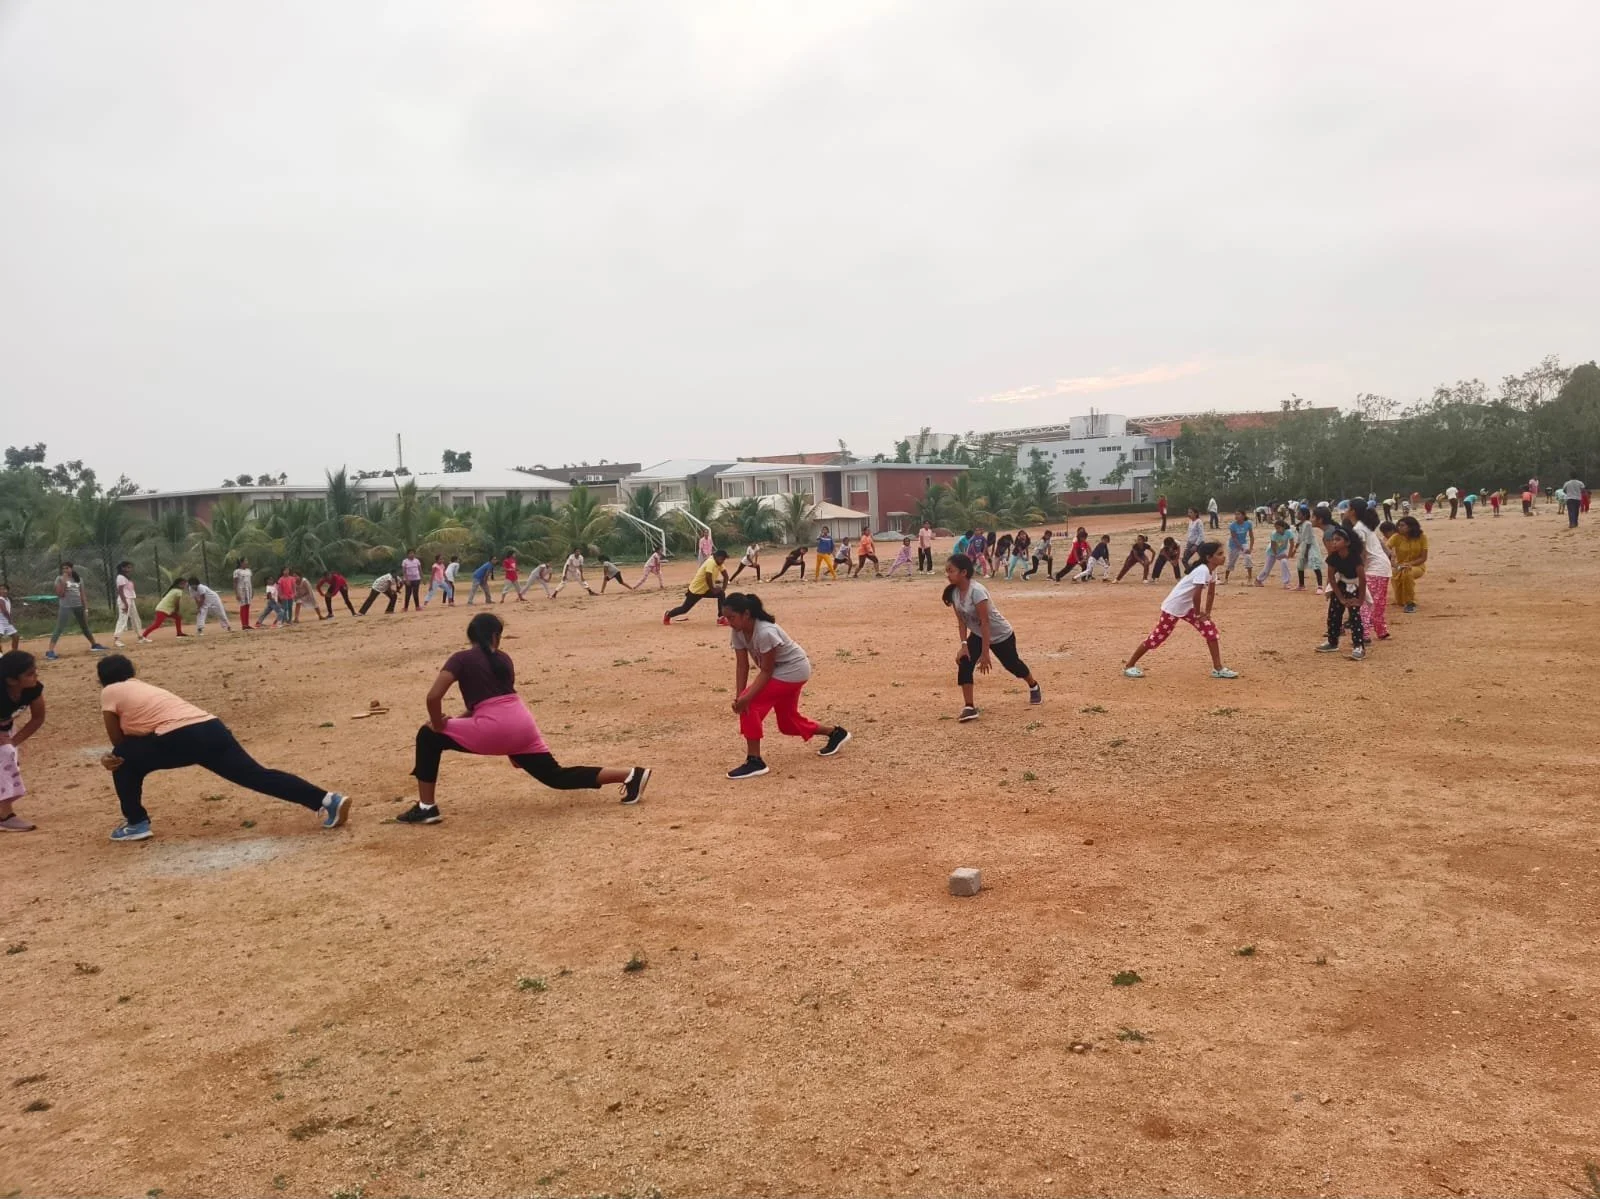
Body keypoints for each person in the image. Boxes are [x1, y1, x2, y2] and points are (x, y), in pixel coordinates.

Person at [396, 613, 650, 823]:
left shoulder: (461, 659)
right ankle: (630, 774)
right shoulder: (504, 659)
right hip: (522, 723)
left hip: (494, 728)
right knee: (556, 776)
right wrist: (465, 724)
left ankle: (427, 807)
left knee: (428, 736)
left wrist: (438, 724)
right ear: (495, 636)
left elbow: (433, 697)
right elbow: (491, 704)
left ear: (471, 636)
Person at [96, 654, 350, 841]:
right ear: (132, 671)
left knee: (121, 758)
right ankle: (328, 800)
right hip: (211, 728)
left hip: (181, 737)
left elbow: (118, 740)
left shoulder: (110, 690)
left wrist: (113, 756)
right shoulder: (144, 687)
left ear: (102, 679)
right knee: (257, 775)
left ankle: (136, 822)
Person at [722, 592, 850, 779]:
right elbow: (742, 665)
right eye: (726, 617)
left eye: (731, 617)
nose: (729, 622)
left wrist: (746, 699)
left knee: (751, 705)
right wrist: (739, 695)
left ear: (746, 614)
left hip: (794, 670)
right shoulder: (738, 631)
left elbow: (766, 671)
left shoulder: (765, 632)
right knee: (787, 723)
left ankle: (754, 761)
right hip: (779, 672)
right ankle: (835, 733)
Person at [944, 552, 1041, 722]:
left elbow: (985, 622)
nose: (948, 574)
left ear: (963, 573)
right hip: (979, 634)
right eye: (947, 571)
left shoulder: (977, 592)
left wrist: (985, 653)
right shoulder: (954, 594)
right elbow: (961, 622)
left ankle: (1033, 684)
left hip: (1001, 634)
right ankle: (969, 706)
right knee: (965, 661)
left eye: (951, 571)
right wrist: (964, 645)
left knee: (1012, 665)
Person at [1122, 542, 1237, 680]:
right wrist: (1198, 614)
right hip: (1174, 607)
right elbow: (1197, 594)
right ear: (1209, 557)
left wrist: (1207, 613)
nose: (1223, 557)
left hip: (1188, 606)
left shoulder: (1212, 570)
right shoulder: (1202, 570)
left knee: (1210, 630)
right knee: (1157, 638)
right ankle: (1129, 665)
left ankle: (1218, 668)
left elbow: (1211, 593)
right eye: (1219, 554)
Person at [0, 650, 45, 831]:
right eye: (29, 674)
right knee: (5, 763)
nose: (35, 676)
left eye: (35, 671)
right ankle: (5, 815)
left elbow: (37, 718)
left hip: (5, 729)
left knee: (8, 759)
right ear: (11, 680)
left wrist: (13, 740)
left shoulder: (33, 689)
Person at [1316, 526, 1367, 660]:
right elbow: (1332, 579)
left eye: (1337, 540)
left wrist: (1360, 600)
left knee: (1355, 616)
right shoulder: (1333, 557)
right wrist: (1340, 598)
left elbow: (1362, 579)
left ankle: (1359, 646)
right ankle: (1333, 642)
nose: (1333, 542)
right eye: (1333, 540)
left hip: (1354, 585)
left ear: (1347, 542)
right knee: (1334, 613)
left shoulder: (1355, 557)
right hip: (1341, 584)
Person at [45, 563, 105, 660]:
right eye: (63, 568)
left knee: (84, 626)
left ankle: (94, 644)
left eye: (67, 568)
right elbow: (60, 594)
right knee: (59, 627)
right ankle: (50, 651)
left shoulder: (79, 579)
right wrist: (64, 582)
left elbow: (82, 594)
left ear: (72, 569)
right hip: (65, 606)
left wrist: (86, 608)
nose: (65, 570)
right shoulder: (59, 579)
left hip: (78, 605)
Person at [665, 549, 729, 625]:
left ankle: (721, 617)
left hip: (706, 589)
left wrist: (723, 589)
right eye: (722, 559)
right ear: (717, 557)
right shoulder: (711, 562)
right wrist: (713, 589)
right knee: (684, 609)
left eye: (724, 560)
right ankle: (668, 614)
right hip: (696, 591)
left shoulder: (719, 563)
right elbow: (708, 577)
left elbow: (726, 576)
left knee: (721, 594)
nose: (723, 561)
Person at [1389, 515, 1429, 613]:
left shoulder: (1422, 537)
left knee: (1407, 572)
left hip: (1417, 566)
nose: (1399, 527)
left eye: (1402, 525)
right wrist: (1393, 563)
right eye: (1399, 525)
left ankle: (1411, 603)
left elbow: (1423, 558)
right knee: (1399, 602)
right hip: (1399, 567)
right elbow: (1386, 549)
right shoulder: (1396, 537)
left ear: (1411, 527)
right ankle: (1405, 600)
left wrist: (1409, 564)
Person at [112, 561, 150, 648]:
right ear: (123, 568)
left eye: (130, 567)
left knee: (136, 618)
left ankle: (140, 637)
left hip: (130, 599)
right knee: (123, 619)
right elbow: (120, 591)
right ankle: (116, 639)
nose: (130, 569)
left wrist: (138, 597)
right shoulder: (120, 577)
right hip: (124, 600)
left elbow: (129, 590)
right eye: (128, 567)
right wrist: (125, 603)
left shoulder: (126, 578)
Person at [1255, 520, 1294, 588]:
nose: (1277, 530)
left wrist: (1289, 555)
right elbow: (1273, 546)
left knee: (1284, 562)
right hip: (1272, 552)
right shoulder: (1274, 534)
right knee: (1267, 569)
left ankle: (1286, 582)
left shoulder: (1289, 532)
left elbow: (1292, 544)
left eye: (1278, 528)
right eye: (1276, 528)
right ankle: (1258, 580)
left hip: (1282, 550)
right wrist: (1276, 555)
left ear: (1283, 527)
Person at [1294, 508, 1325, 593]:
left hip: (1311, 546)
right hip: (1305, 546)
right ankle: (1301, 585)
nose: (1297, 514)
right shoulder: (1301, 524)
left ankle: (1320, 587)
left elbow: (1309, 539)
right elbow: (1299, 538)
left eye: (1299, 513)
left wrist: (1306, 552)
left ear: (1304, 515)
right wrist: (1295, 548)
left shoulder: (1308, 524)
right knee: (1300, 565)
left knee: (1315, 564)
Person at [1222, 511, 1255, 584]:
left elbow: (1251, 536)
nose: (1236, 516)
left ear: (1243, 516)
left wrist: (1250, 548)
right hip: (1233, 545)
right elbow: (1234, 538)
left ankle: (1250, 578)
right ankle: (1226, 579)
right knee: (1231, 562)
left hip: (1243, 543)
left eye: (1238, 514)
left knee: (1248, 558)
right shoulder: (1232, 525)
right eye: (1235, 514)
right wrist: (1242, 548)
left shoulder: (1248, 524)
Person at [232, 557, 255, 629]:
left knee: (248, 605)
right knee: (243, 606)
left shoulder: (249, 571)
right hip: (241, 590)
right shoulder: (237, 571)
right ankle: (243, 624)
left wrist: (252, 590)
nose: (247, 562)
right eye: (245, 561)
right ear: (241, 563)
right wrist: (236, 593)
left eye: (247, 561)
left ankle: (247, 624)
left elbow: (250, 581)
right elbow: (235, 583)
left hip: (249, 590)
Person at [1182, 508, 1206, 572]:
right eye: (1188, 512)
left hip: (1199, 544)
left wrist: (1195, 545)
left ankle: (1211, 576)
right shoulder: (1190, 522)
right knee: (1184, 560)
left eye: (1191, 512)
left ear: (1196, 514)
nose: (1189, 514)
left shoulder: (1199, 522)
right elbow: (1190, 534)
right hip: (1190, 543)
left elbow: (1201, 535)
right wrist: (1188, 545)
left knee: (1205, 560)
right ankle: (1191, 572)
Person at [0, 584, 18, 654]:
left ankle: (14, 653)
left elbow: (8, 610)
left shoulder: (7, 599)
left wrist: (9, 620)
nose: (3, 591)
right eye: (1, 589)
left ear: (7, 591)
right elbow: (4, 611)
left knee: (16, 636)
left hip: (6, 621)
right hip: (1, 621)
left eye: (4, 589)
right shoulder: (0, 599)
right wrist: (10, 619)